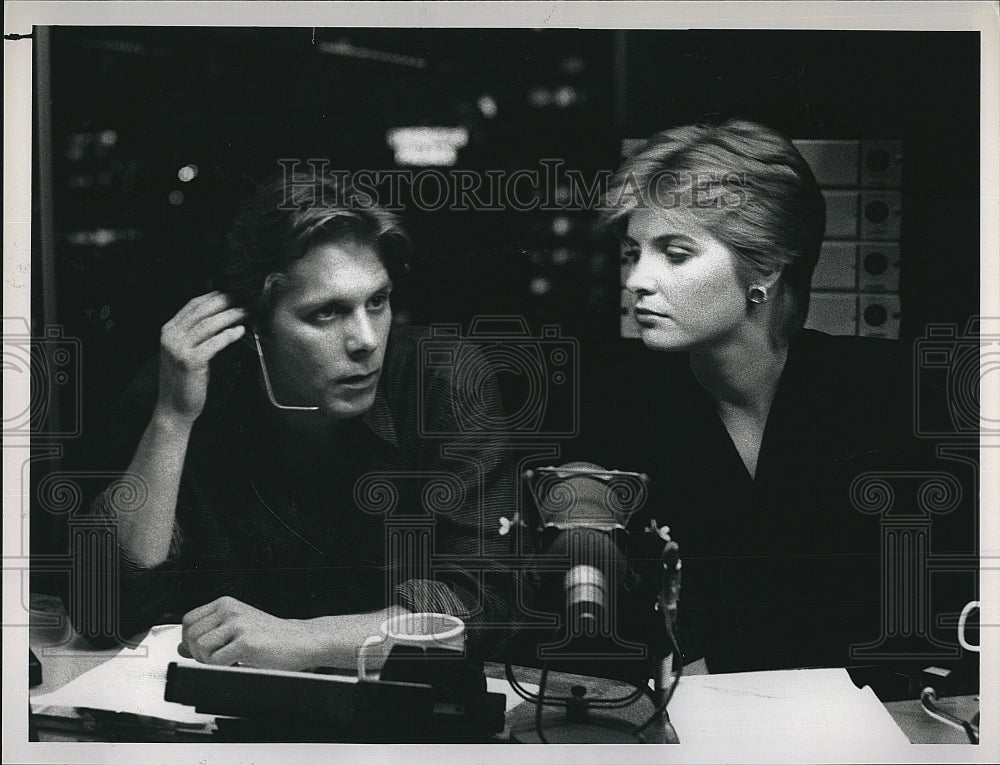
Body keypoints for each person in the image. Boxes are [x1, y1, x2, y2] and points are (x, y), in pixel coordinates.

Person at [75, 170, 524, 670]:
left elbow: (486, 605)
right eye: (327, 313)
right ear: (253, 327)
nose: (366, 340)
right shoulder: (185, 388)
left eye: (377, 302)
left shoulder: (440, 381)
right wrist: (173, 420)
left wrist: (299, 641)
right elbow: (101, 612)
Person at [584, 119, 973, 673]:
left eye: (674, 254)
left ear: (765, 265)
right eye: (632, 252)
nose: (636, 281)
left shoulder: (897, 397)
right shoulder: (617, 412)